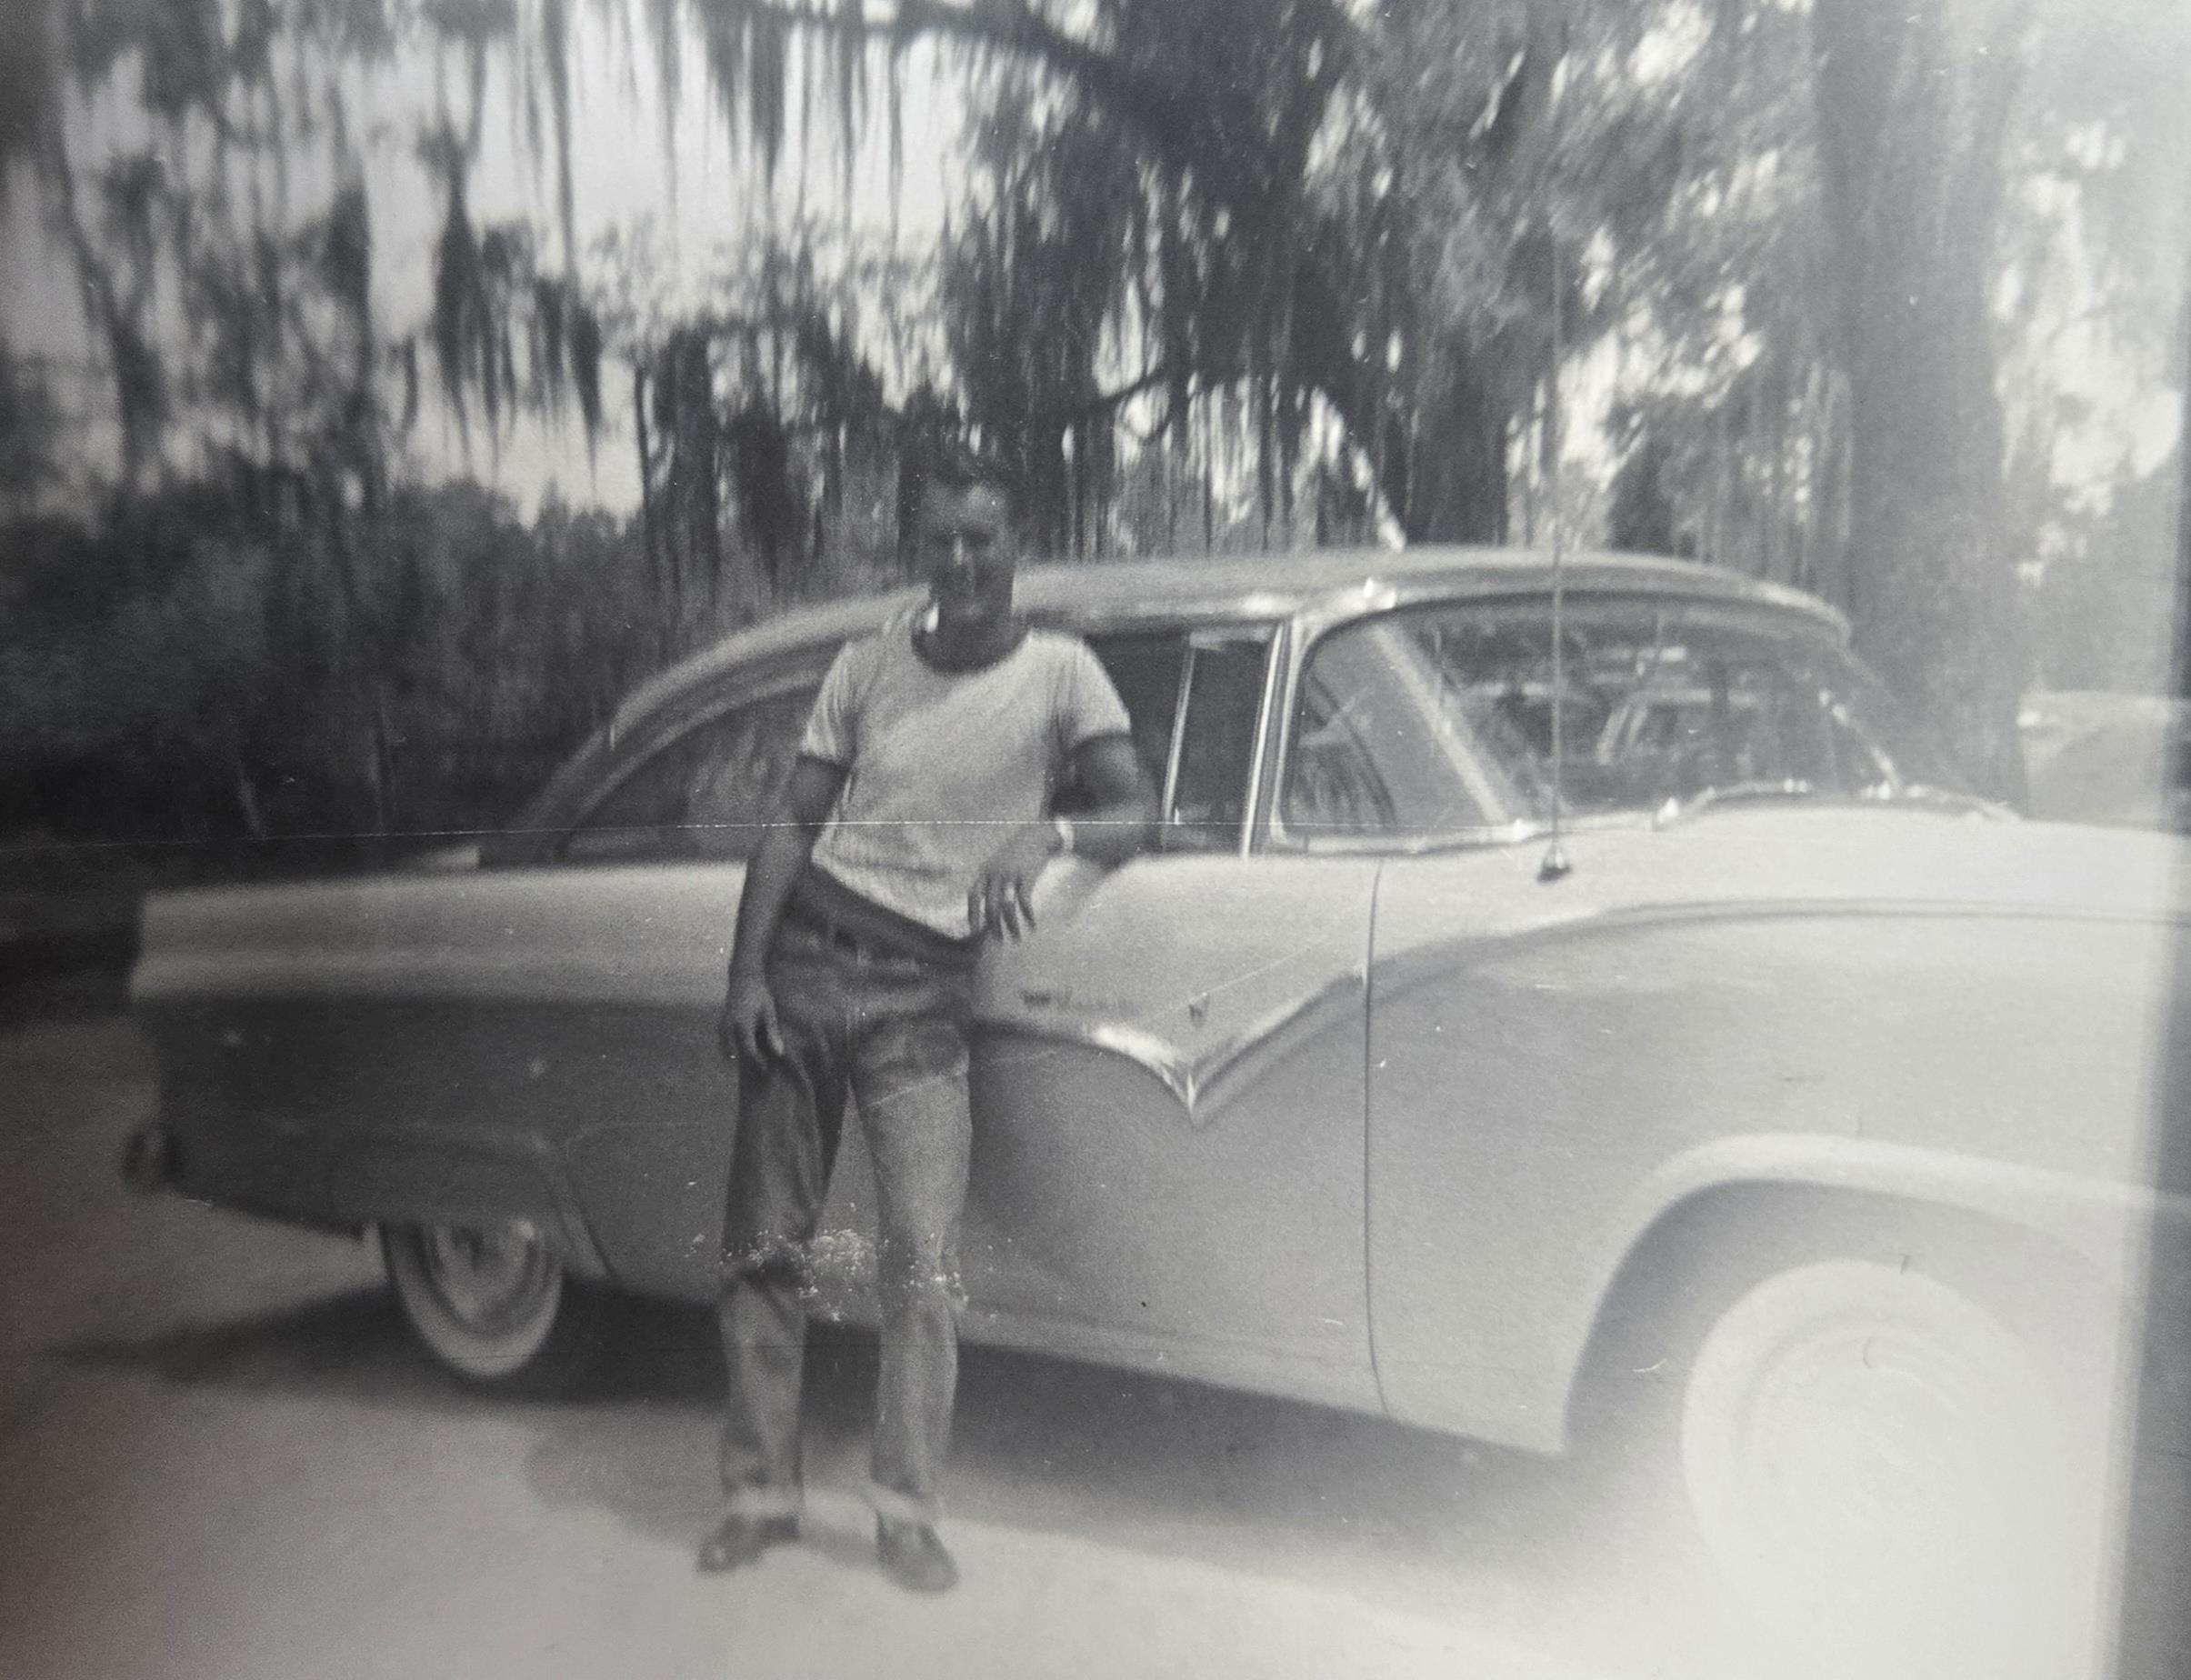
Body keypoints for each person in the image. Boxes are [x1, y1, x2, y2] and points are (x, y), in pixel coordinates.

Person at [702, 447, 1152, 1593]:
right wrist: (745, 975)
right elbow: (793, 824)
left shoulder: (1062, 674)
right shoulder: (863, 667)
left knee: (922, 1262)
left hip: (923, 998)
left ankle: (906, 1509)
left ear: (1017, 549)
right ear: (920, 549)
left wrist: (1041, 834)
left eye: (981, 538)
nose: (960, 560)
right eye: (941, 539)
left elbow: (1135, 812)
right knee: (765, 1244)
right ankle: (759, 1494)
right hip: (806, 963)